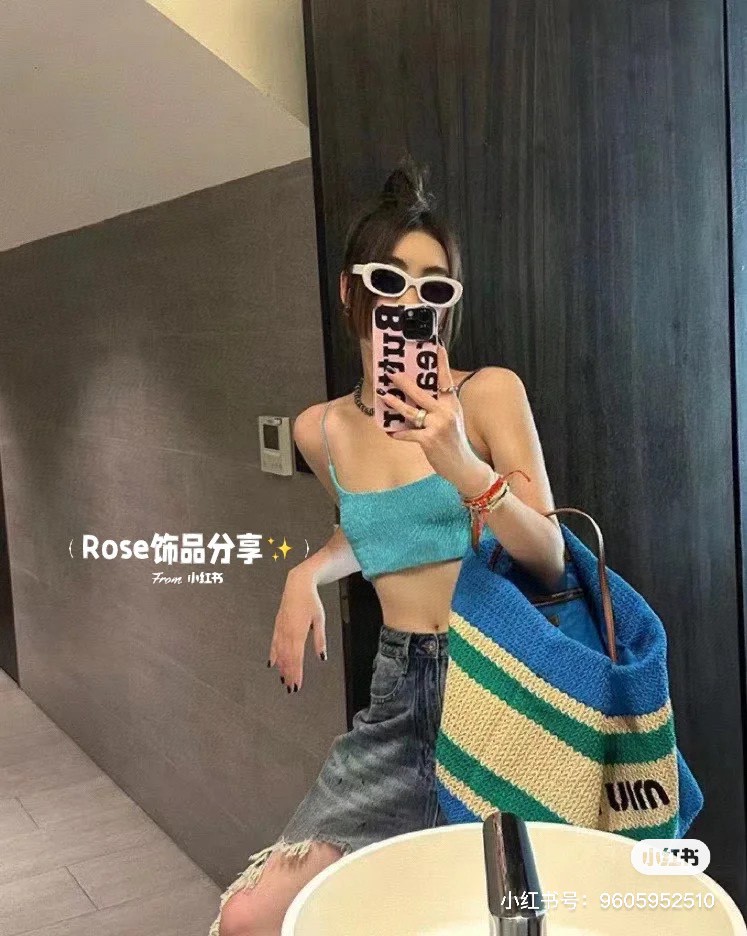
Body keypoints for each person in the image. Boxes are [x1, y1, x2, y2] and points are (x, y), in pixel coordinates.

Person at [210, 155, 566, 936]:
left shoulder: (486, 394)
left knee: (506, 915)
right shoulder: (320, 429)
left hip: (498, 679)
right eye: (388, 281)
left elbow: (548, 556)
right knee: (250, 918)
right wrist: (306, 572)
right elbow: (377, 531)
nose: (409, 304)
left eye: (433, 289)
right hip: (400, 693)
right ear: (349, 292)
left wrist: (460, 463)